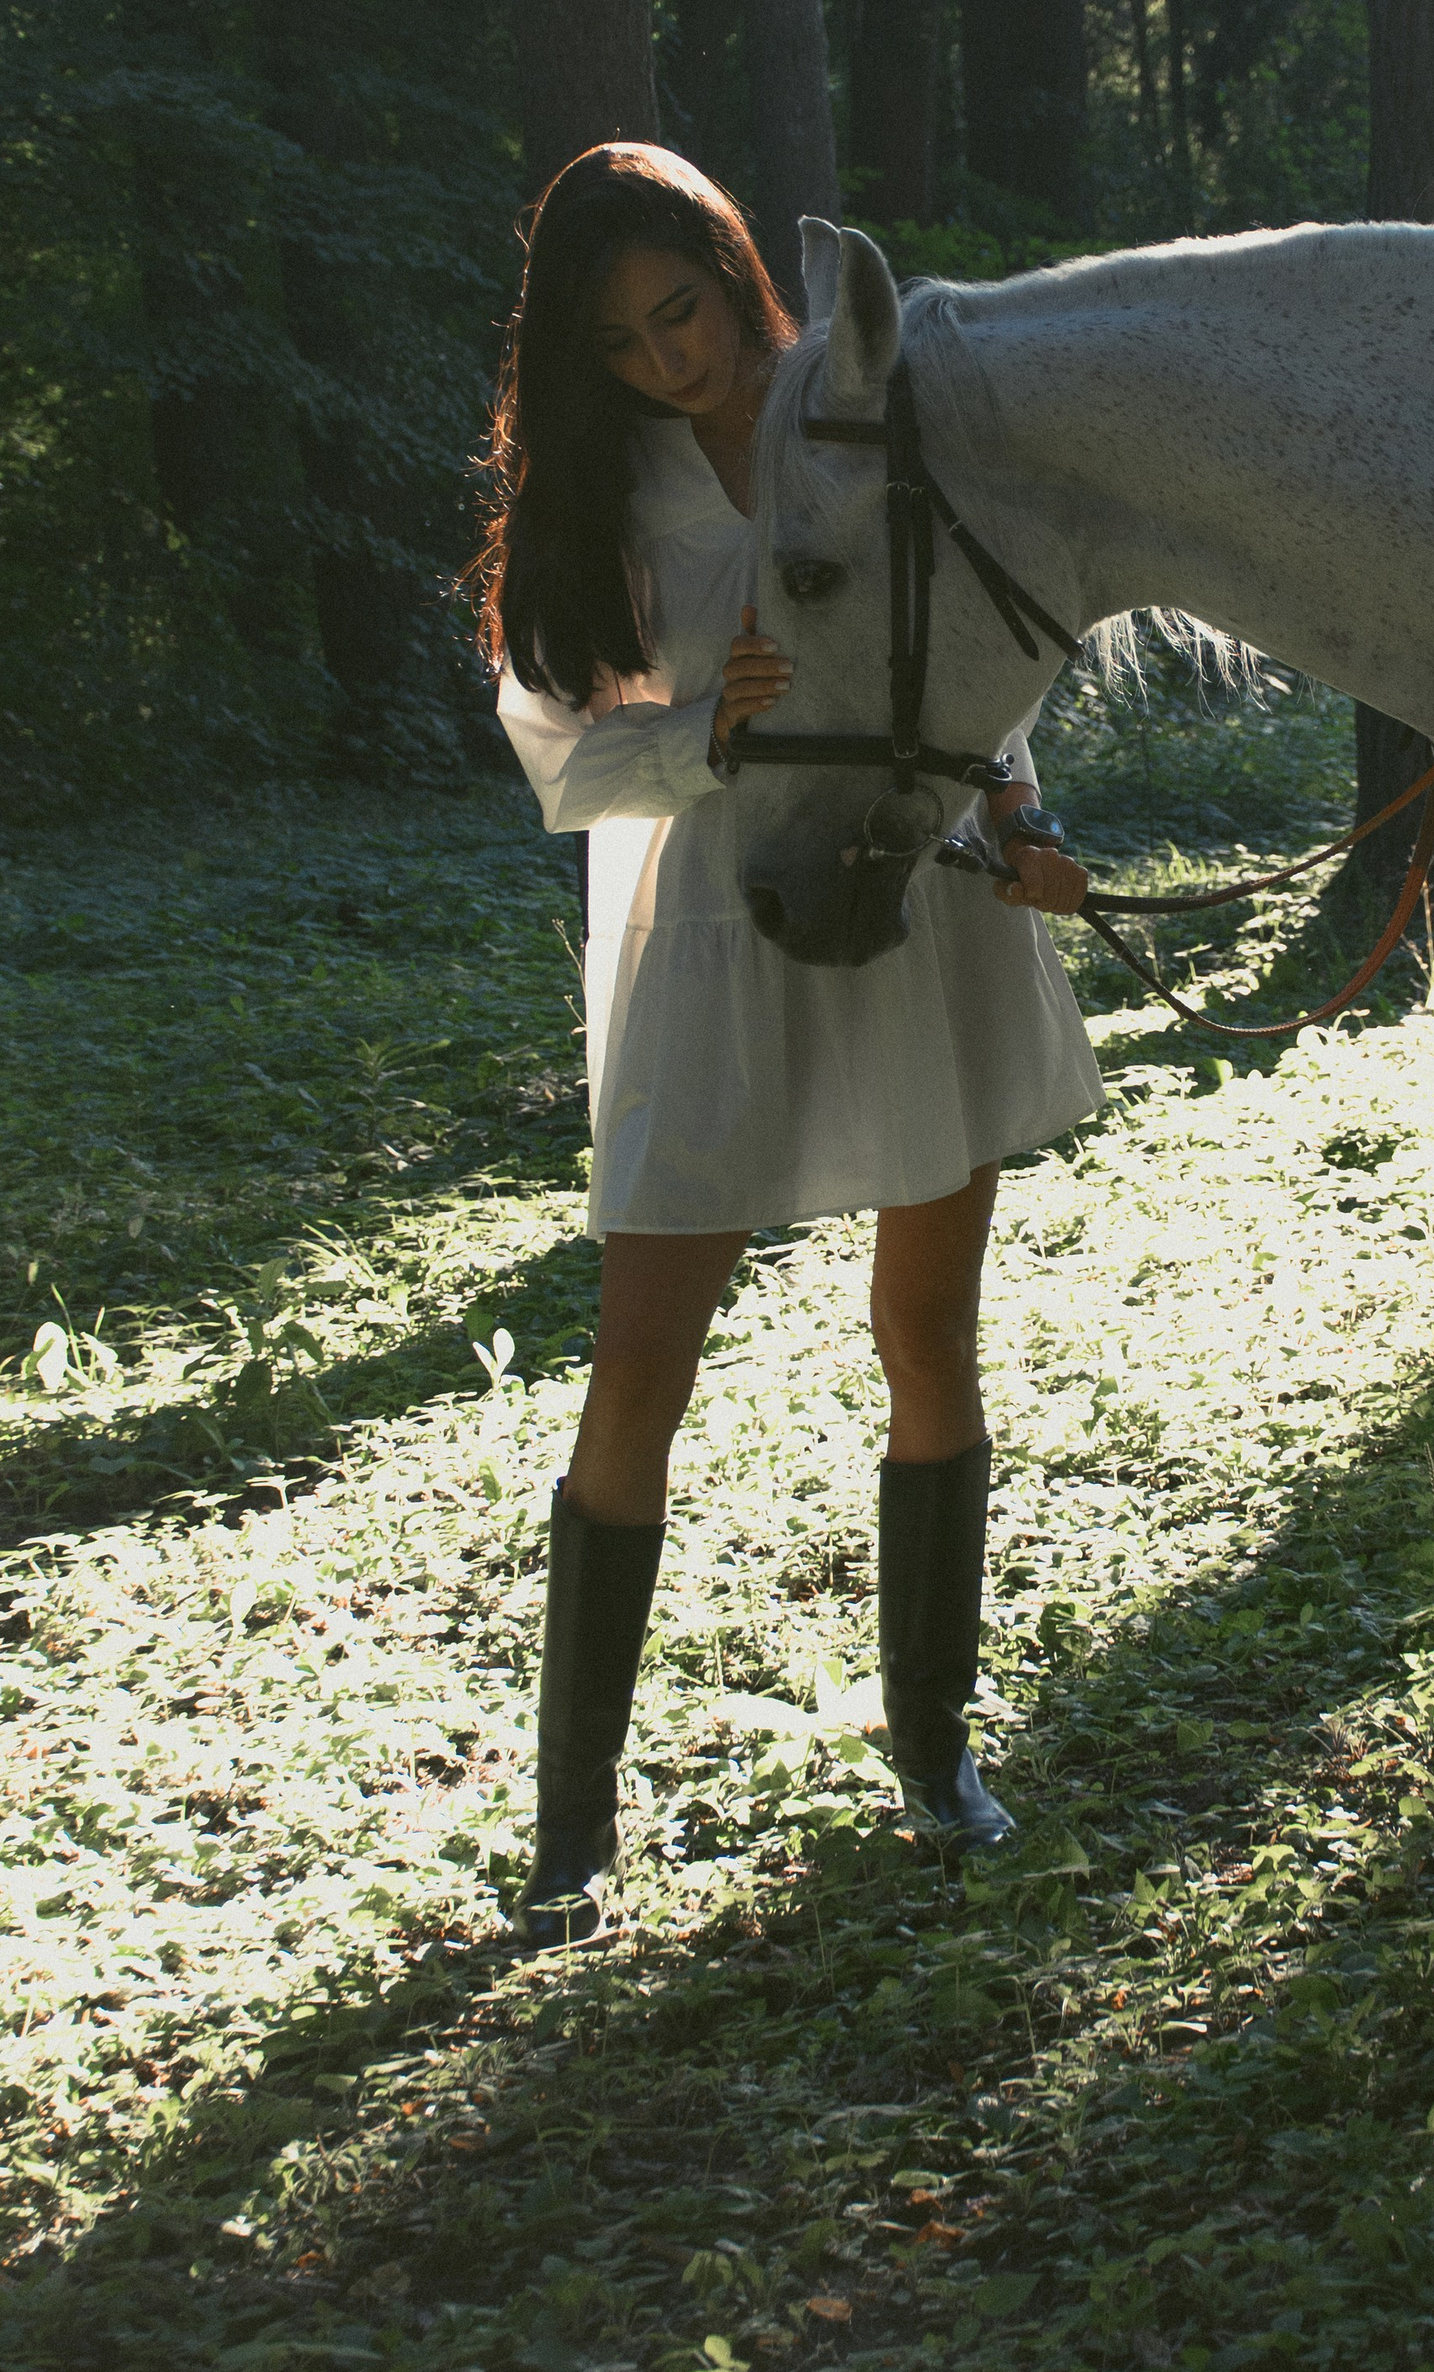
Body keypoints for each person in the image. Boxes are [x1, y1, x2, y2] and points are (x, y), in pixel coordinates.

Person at [470, 141, 1100, 1947]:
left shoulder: (855, 394)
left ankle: (933, 1750)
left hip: (918, 901)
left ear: (733, 265)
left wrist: (1022, 813)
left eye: (684, 308)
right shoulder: (609, 492)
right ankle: (573, 1830)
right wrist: (705, 731)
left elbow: (960, 640)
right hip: (717, 932)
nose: (673, 358)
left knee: (929, 1327)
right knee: (640, 1366)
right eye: (626, 341)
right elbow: (560, 754)